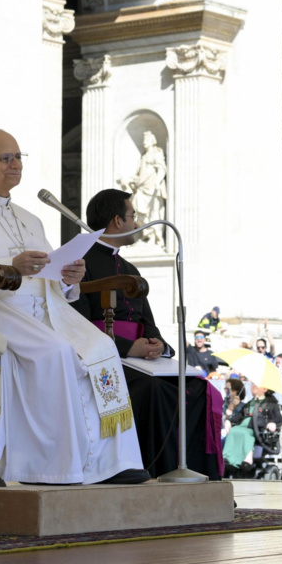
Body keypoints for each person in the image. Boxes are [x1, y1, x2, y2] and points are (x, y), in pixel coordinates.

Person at [0, 128, 147, 485]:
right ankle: (50, 465)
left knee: (101, 347)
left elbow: (49, 275)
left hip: (40, 310)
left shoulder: (31, 218)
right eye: (4, 158)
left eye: (18, 157)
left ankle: (111, 462)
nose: (14, 164)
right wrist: (10, 265)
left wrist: (69, 276)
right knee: (56, 351)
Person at [72, 188, 221, 479]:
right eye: (133, 216)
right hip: (104, 356)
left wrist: (158, 346)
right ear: (117, 221)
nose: (137, 222)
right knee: (156, 390)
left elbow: (149, 323)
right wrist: (129, 348)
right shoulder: (80, 264)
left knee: (197, 388)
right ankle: (159, 473)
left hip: (142, 359)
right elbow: (77, 323)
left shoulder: (129, 268)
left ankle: (201, 478)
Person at [222, 384, 282, 476]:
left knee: (245, 433)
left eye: (257, 385)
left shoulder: (271, 404)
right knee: (233, 431)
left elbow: (279, 418)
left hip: (258, 429)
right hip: (243, 426)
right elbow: (239, 416)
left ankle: (248, 459)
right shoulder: (249, 403)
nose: (253, 386)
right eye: (252, 384)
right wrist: (229, 421)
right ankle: (227, 458)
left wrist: (273, 423)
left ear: (265, 389)